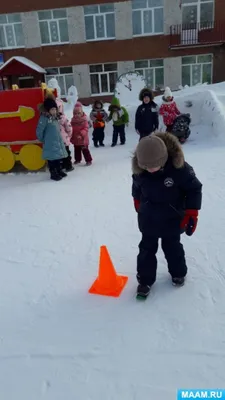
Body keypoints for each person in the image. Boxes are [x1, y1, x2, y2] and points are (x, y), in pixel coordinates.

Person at [132, 132, 202, 297]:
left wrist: (192, 212)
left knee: (172, 247)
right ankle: (145, 280)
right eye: (146, 167)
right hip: (148, 217)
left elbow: (194, 189)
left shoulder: (180, 170)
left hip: (172, 218)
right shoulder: (140, 171)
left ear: (164, 158)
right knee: (146, 249)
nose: (150, 170)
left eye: (154, 166)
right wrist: (137, 200)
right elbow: (136, 185)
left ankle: (178, 273)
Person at [36, 97, 68, 181]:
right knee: (52, 160)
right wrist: (43, 140)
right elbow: (39, 131)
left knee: (57, 158)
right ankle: (53, 173)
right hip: (49, 143)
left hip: (57, 141)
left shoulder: (55, 118)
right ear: (47, 110)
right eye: (52, 109)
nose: (54, 111)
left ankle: (59, 170)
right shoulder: (44, 118)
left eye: (55, 109)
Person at [71, 101, 93, 166]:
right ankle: (78, 159)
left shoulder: (84, 120)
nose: (77, 115)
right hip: (75, 137)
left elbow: (86, 128)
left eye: (78, 113)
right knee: (76, 150)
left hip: (83, 138)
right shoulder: (72, 121)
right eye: (75, 114)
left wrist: (81, 134)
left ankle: (88, 160)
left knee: (85, 150)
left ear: (81, 113)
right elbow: (70, 128)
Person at [56, 98, 74, 172]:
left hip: (57, 140)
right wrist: (69, 135)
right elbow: (69, 128)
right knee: (66, 153)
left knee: (60, 154)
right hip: (64, 139)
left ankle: (62, 165)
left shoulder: (52, 119)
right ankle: (68, 166)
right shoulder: (63, 118)